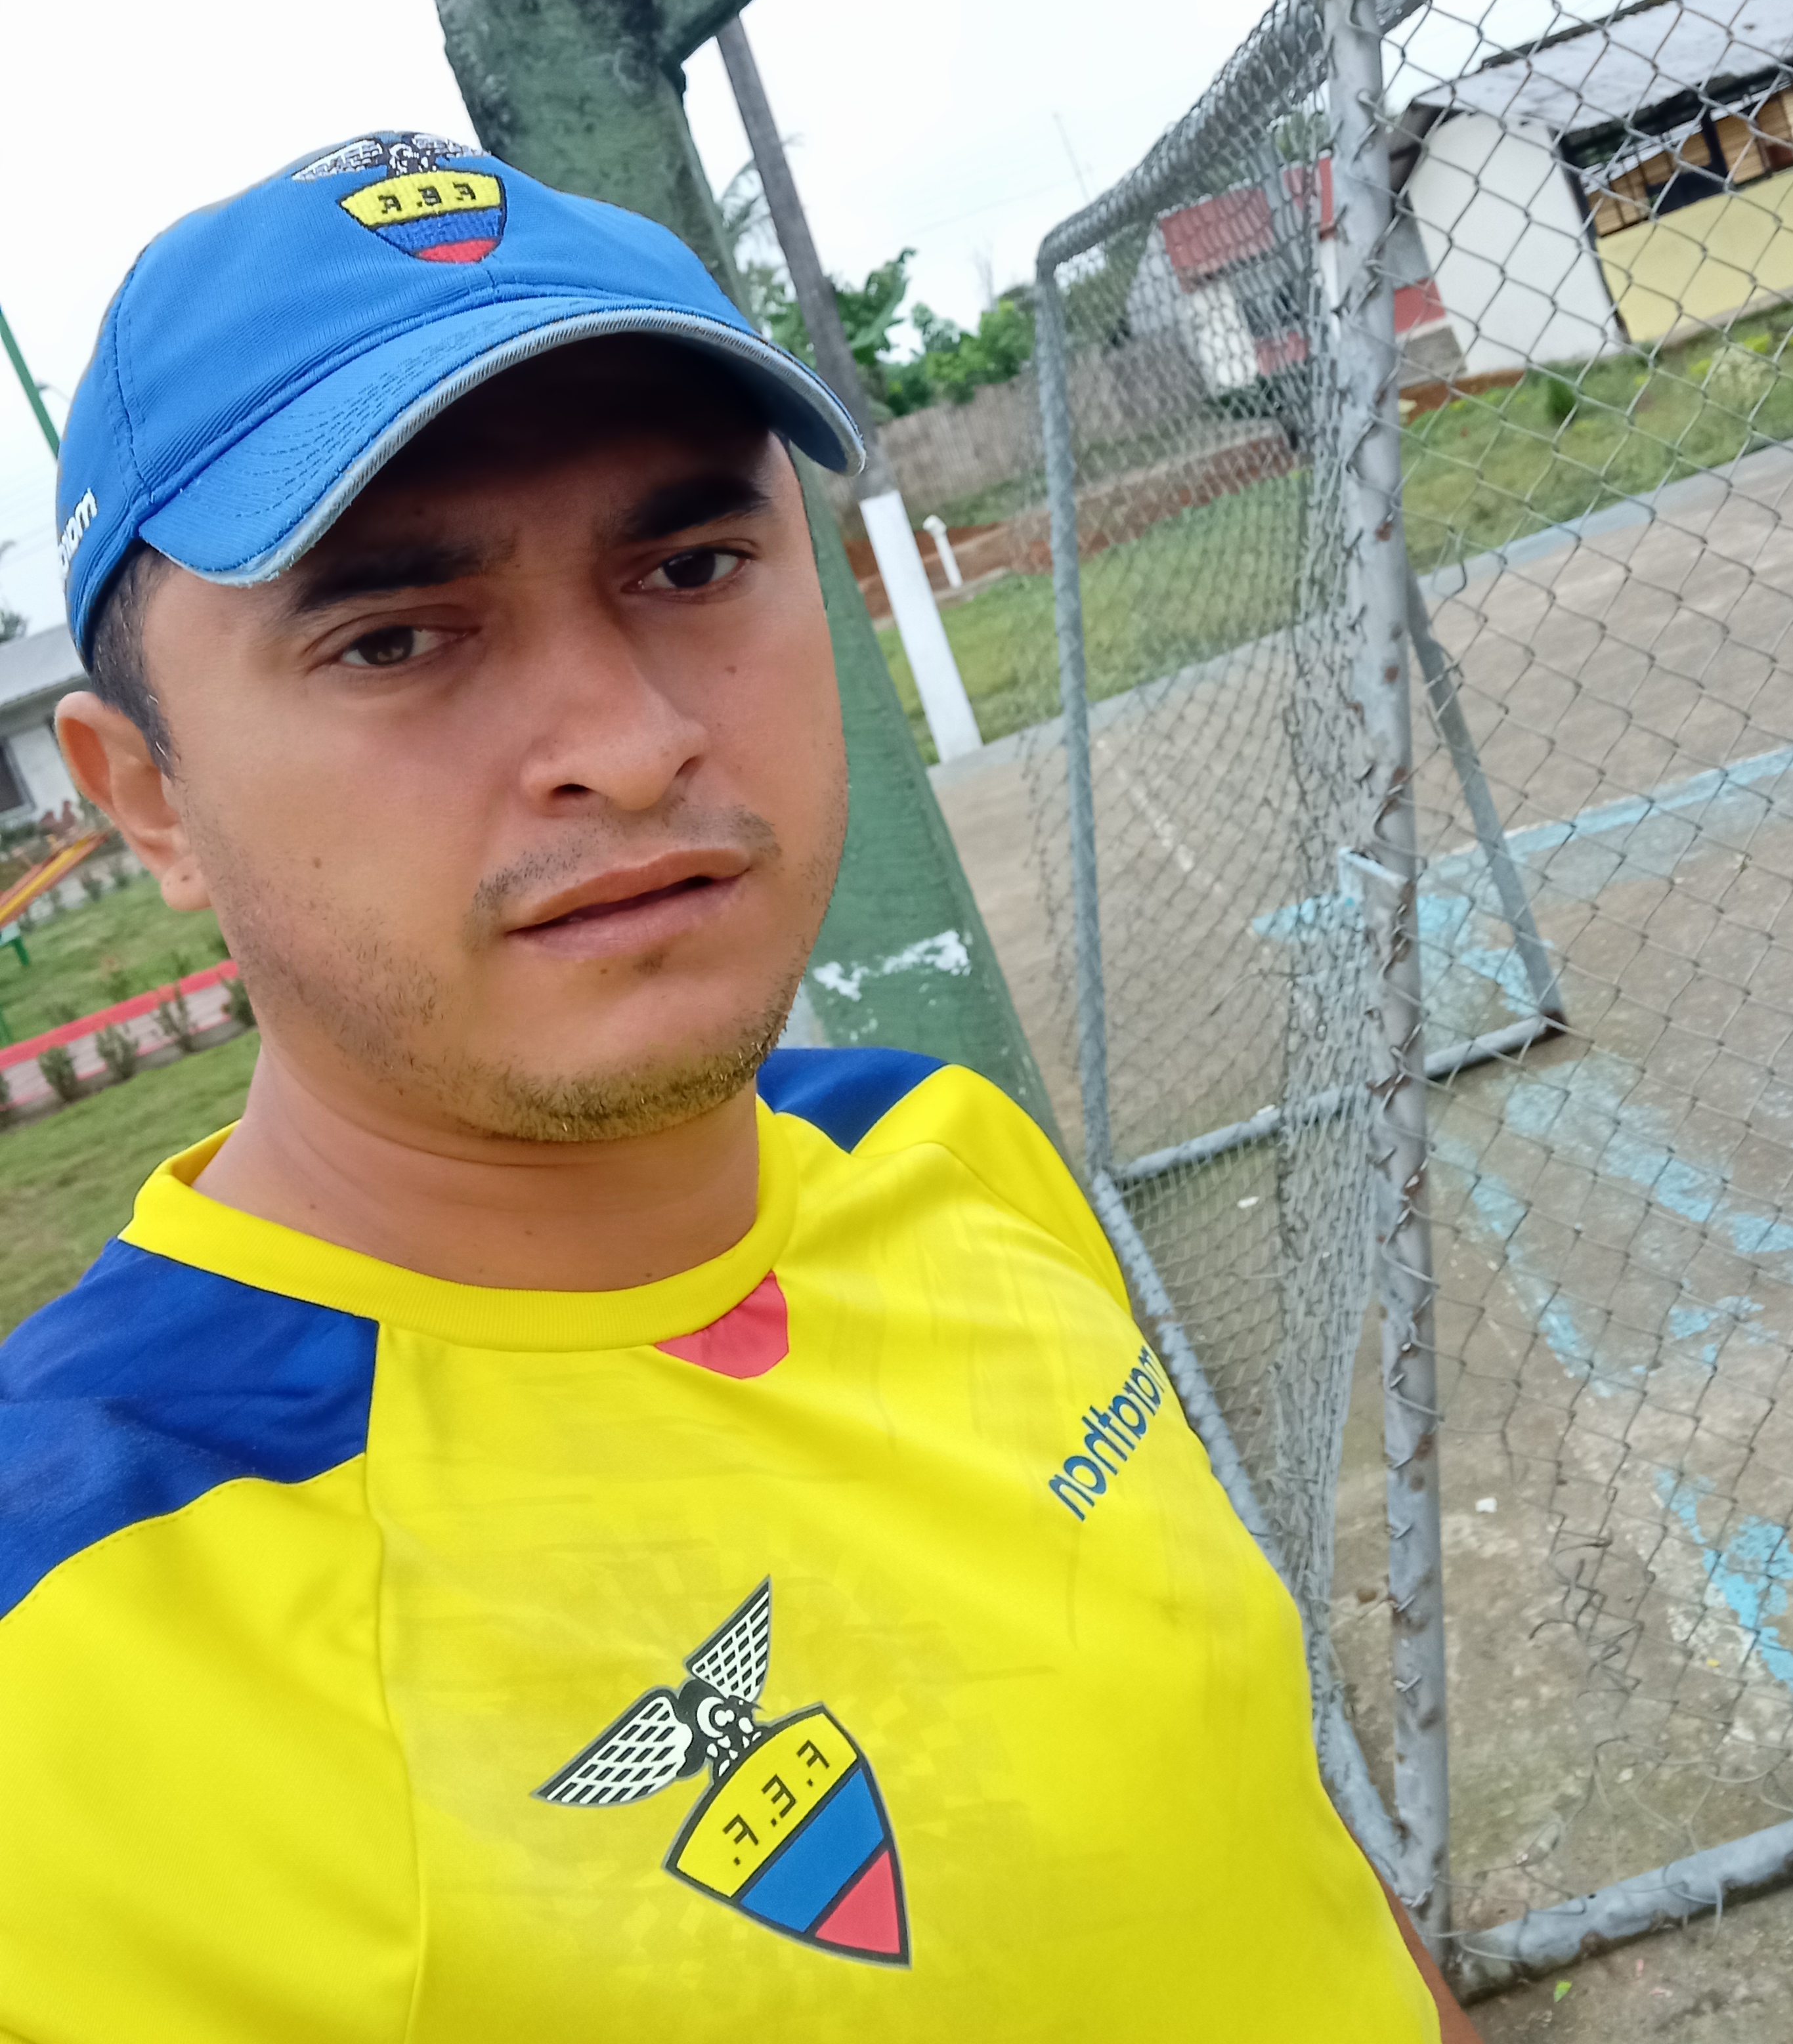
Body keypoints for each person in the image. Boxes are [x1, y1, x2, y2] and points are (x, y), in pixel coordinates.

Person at [0, 135, 1477, 2041]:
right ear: (147, 798)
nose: (629, 744)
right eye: (394, 638)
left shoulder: (941, 1150)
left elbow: (1266, 1826)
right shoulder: (90, 1630)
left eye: (692, 567)